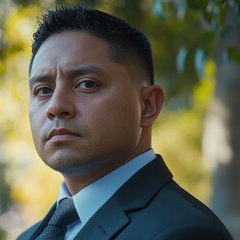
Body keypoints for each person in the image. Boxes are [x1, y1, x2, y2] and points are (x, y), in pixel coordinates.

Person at [17, 6, 233, 240]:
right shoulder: (28, 236)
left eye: (87, 84)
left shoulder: (185, 231)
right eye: (43, 90)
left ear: (148, 105)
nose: (56, 106)